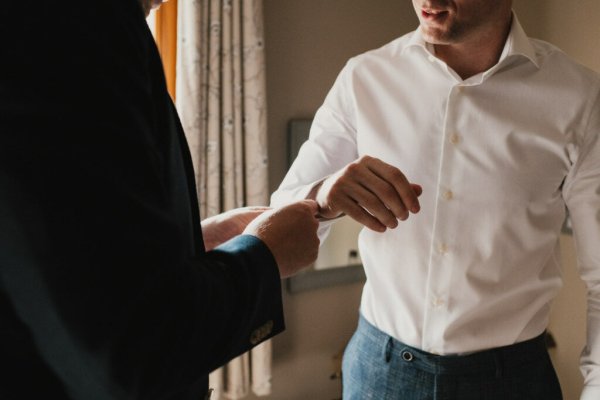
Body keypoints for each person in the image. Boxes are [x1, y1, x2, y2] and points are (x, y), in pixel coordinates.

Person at [272, 0, 600, 399]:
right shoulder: (365, 77)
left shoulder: (580, 99)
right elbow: (277, 225)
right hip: (378, 373)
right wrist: (320, 197)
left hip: (513, 382)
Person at [0, 1, 320, 399]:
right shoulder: (78, 21)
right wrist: (266, 256)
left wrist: (191, 244)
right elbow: (137, 348)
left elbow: (60, 244)